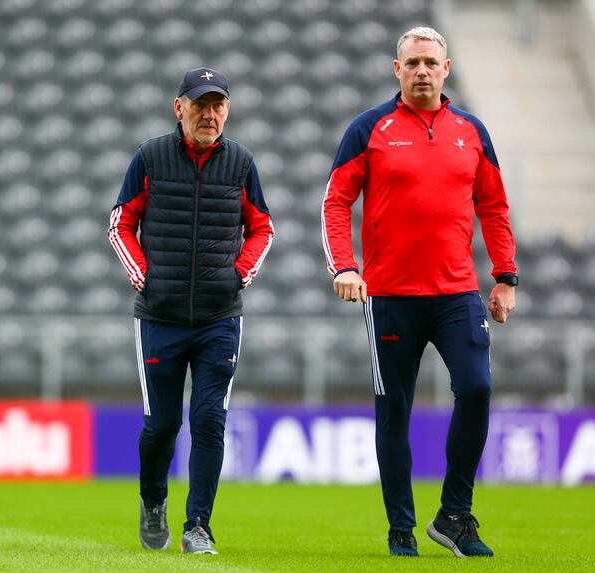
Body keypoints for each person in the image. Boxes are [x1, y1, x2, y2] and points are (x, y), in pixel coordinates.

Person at [321, 26, 517, 558]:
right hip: (389, 296)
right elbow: (335, 202)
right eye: (413, 63)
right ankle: (400, 529)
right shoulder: (369, 129)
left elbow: (494, 208)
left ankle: (454, 515)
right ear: (397, 69)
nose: (423, 71)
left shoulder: (471, 132)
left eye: (431, 62)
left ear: (446, 68)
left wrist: (504, 276)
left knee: (475, 388)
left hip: (457, 294)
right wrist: (345, 266)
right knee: (394, 411)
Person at [108, 67, 274, 555]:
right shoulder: (150, 157)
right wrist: (145, 278)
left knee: (209, 421)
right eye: (200, 103)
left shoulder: (241, 162)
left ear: (228, 110)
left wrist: (239, 275)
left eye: (218, 104)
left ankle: (197, 526)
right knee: (161, 425)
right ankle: (153, 500)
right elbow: (121, 225)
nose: (210, 113)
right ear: (178, 107)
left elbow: (263, 228)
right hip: (159, 318)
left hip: (220, 319)